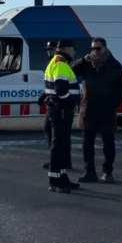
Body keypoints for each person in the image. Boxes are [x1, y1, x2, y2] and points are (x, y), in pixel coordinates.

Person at [71, 37, 122, 183]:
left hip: (107, 111)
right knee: (87, 143)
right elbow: (71, 70)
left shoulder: (115, 65)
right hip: (89, 110)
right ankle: (89, 172)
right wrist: (84, 59)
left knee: (108, 143)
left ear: (105, 48)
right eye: (92, 48)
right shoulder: (87, 64)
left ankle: (107, 172)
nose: (95, 51)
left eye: (98, 48)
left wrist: (112, 104)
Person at [44, 39, 81, 193]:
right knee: (59, 146)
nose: (75, 52)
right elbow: (61, 89)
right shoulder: (61, 64)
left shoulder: (56, 61)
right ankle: (55, 181)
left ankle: (63, 178)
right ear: (66, 49)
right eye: (73, 49)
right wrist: (72, 103)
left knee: (63, 146)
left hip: (58, 109)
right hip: (62, 110)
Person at [40, 41, 71, 171]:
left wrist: (69, 102)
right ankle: (58, 159)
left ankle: (60, 161)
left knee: (59, 134)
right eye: (47, 49)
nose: (48, 51)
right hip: (54, 103)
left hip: (59, 105)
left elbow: (60, 86)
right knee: (52, 131)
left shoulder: (59, 62)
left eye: (50, 49)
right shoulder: (54, 62)